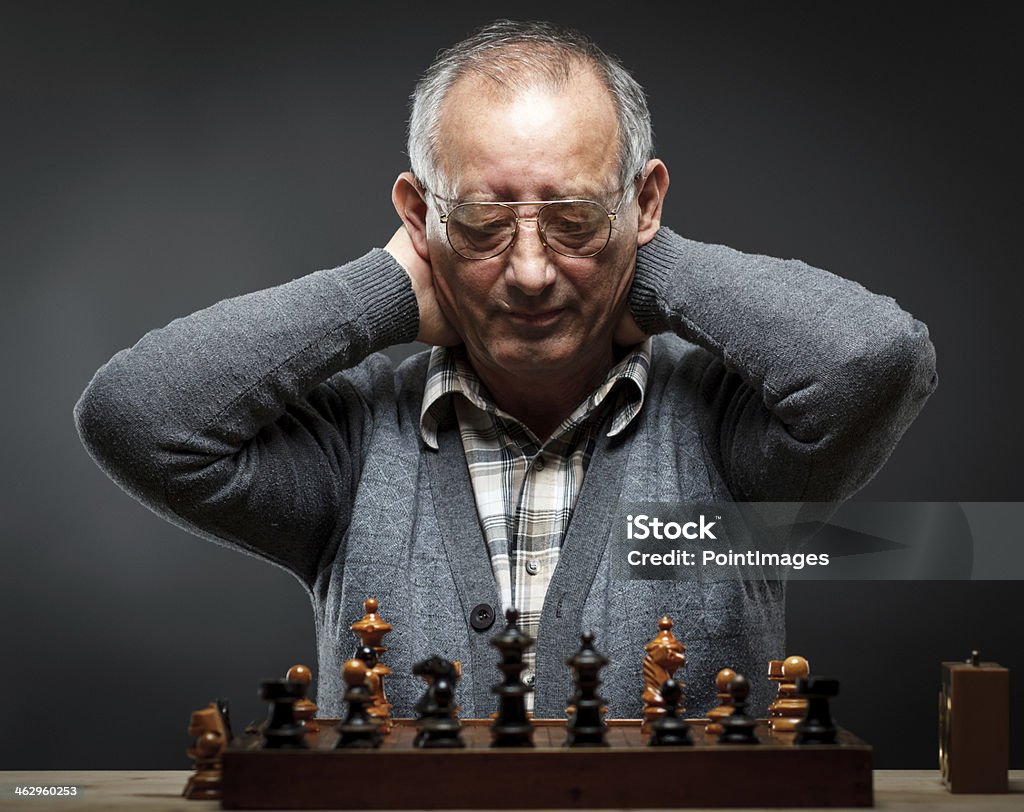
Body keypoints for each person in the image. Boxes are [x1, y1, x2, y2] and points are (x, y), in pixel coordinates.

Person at [74, 20, 936, 718]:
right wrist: (383, 291)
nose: (529, 271)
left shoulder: (729, 439)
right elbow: (137, 417)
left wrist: (656, 272)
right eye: (483, 223)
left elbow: (874, 360)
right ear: (417, 213)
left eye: (573, 218)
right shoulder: (350, 451)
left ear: (646, 202)